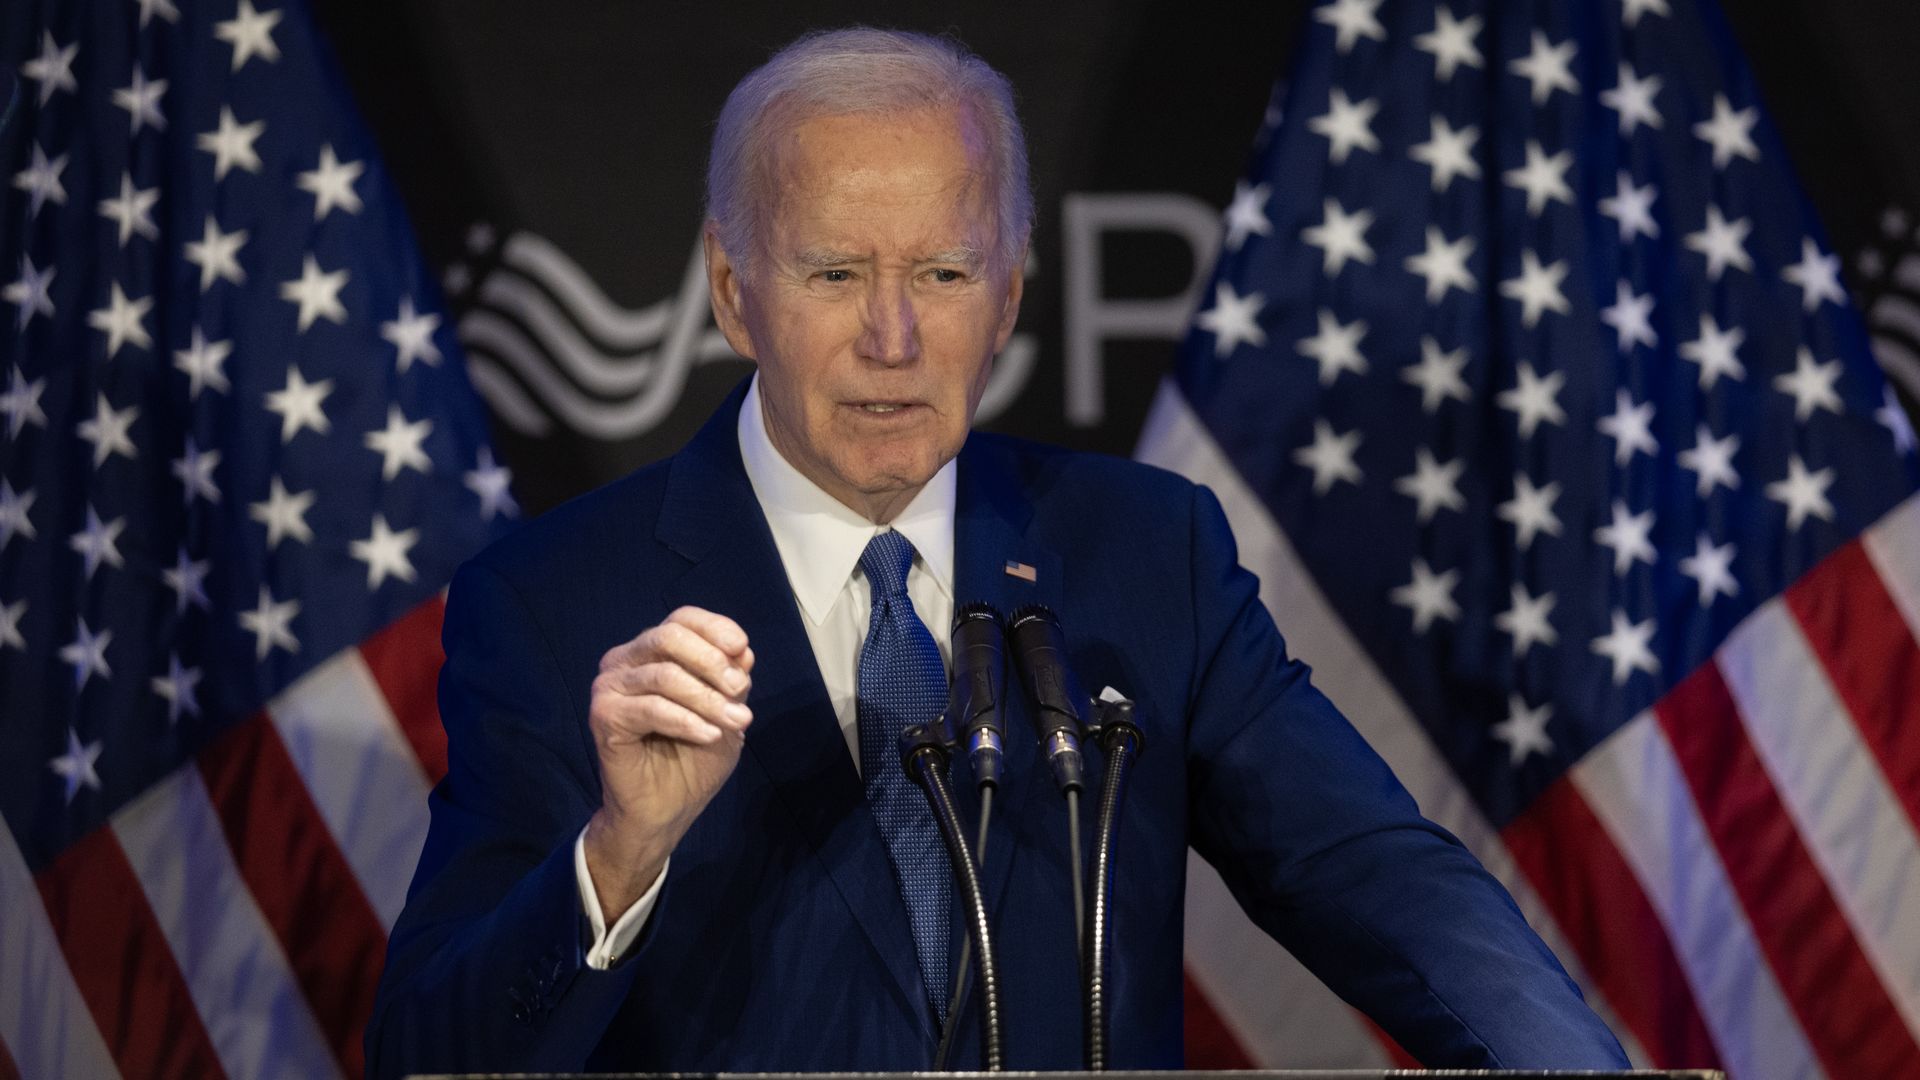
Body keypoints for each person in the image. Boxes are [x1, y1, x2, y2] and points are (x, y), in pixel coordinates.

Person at [367, 26, 1629, 1078]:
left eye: (946, 270)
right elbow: (429, 1052)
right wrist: (618, 856)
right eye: (834, 271)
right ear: (732, 287)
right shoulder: (551, 605)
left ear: (1015, 291)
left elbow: (1378, 881)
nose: (894, 335)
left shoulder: (1148, 553)